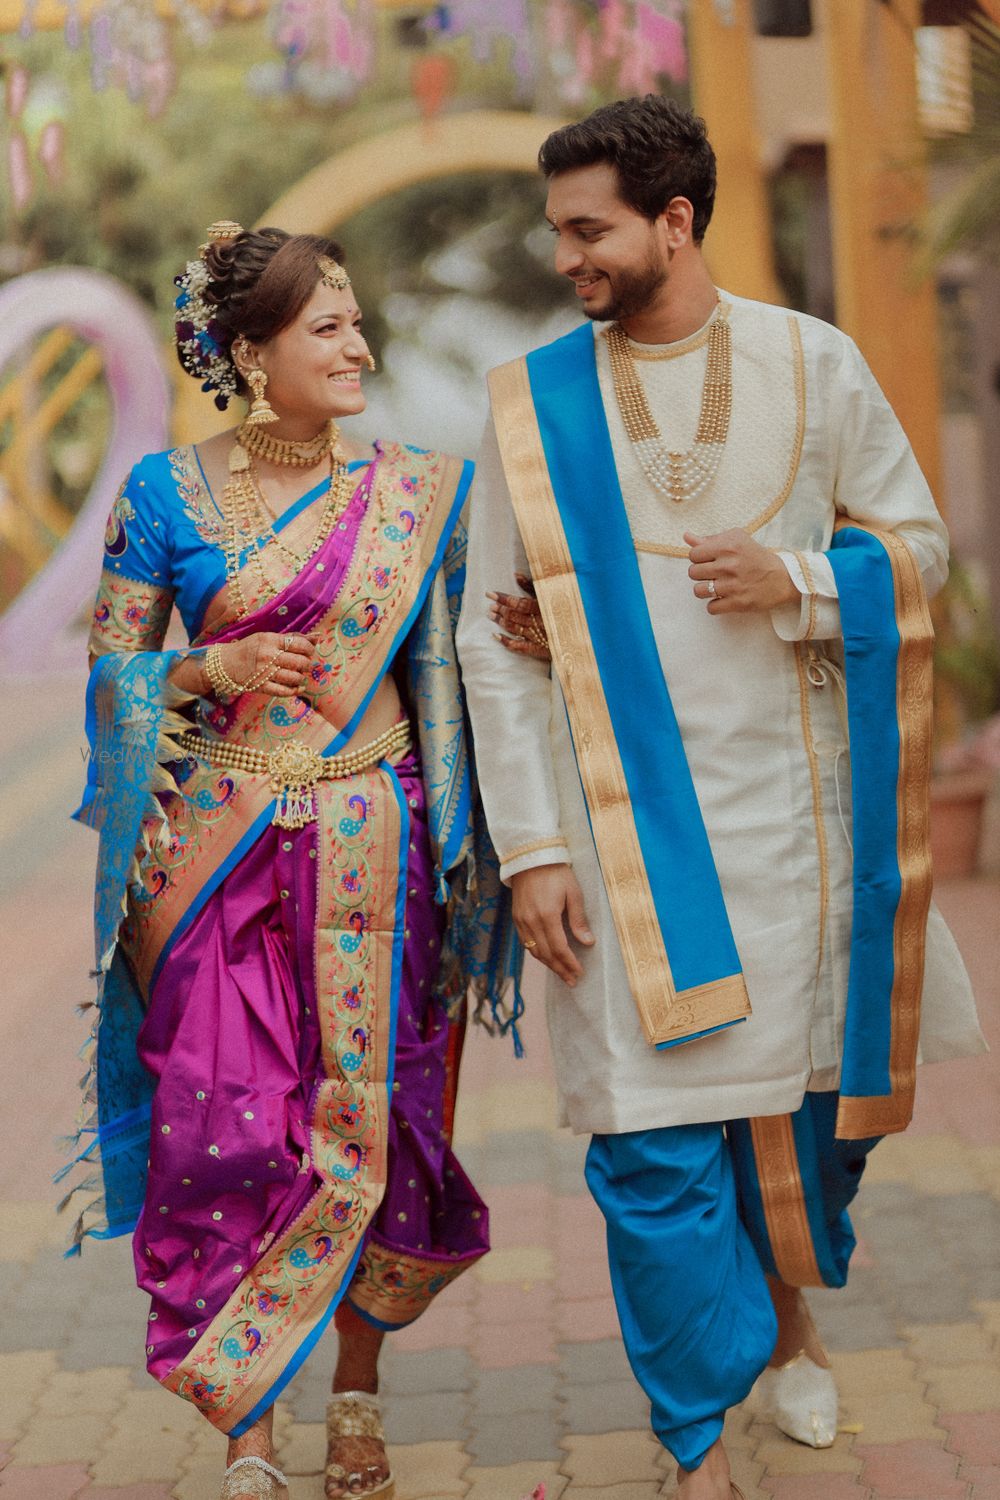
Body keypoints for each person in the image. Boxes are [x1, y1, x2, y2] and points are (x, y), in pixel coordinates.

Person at [455, 97, 985, 1500]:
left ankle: (792, 1325)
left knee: (803, 1132)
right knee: (651, 1153)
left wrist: (804, 582)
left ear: (672, 221)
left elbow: (918, 546)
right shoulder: (531, 405)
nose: (564, 254)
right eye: (558, 228)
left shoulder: (817, 365)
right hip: (625, 847)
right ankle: (696, 1441)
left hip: (804, 834)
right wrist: (533, 851)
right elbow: (482, 642)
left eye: (590, 229)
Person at [68, 223, 517, 1500]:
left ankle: (359, 1399)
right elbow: (109, 684)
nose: (360, 346)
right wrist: (199, 670)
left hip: (381, 853)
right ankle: (251, 1433)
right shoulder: (163, 496)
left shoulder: (421, 492)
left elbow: (453, 678)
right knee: (222, 1138)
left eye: (358, 322)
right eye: (330, 328)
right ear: (255, 354)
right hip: (221, 866)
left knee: (388, 1131)